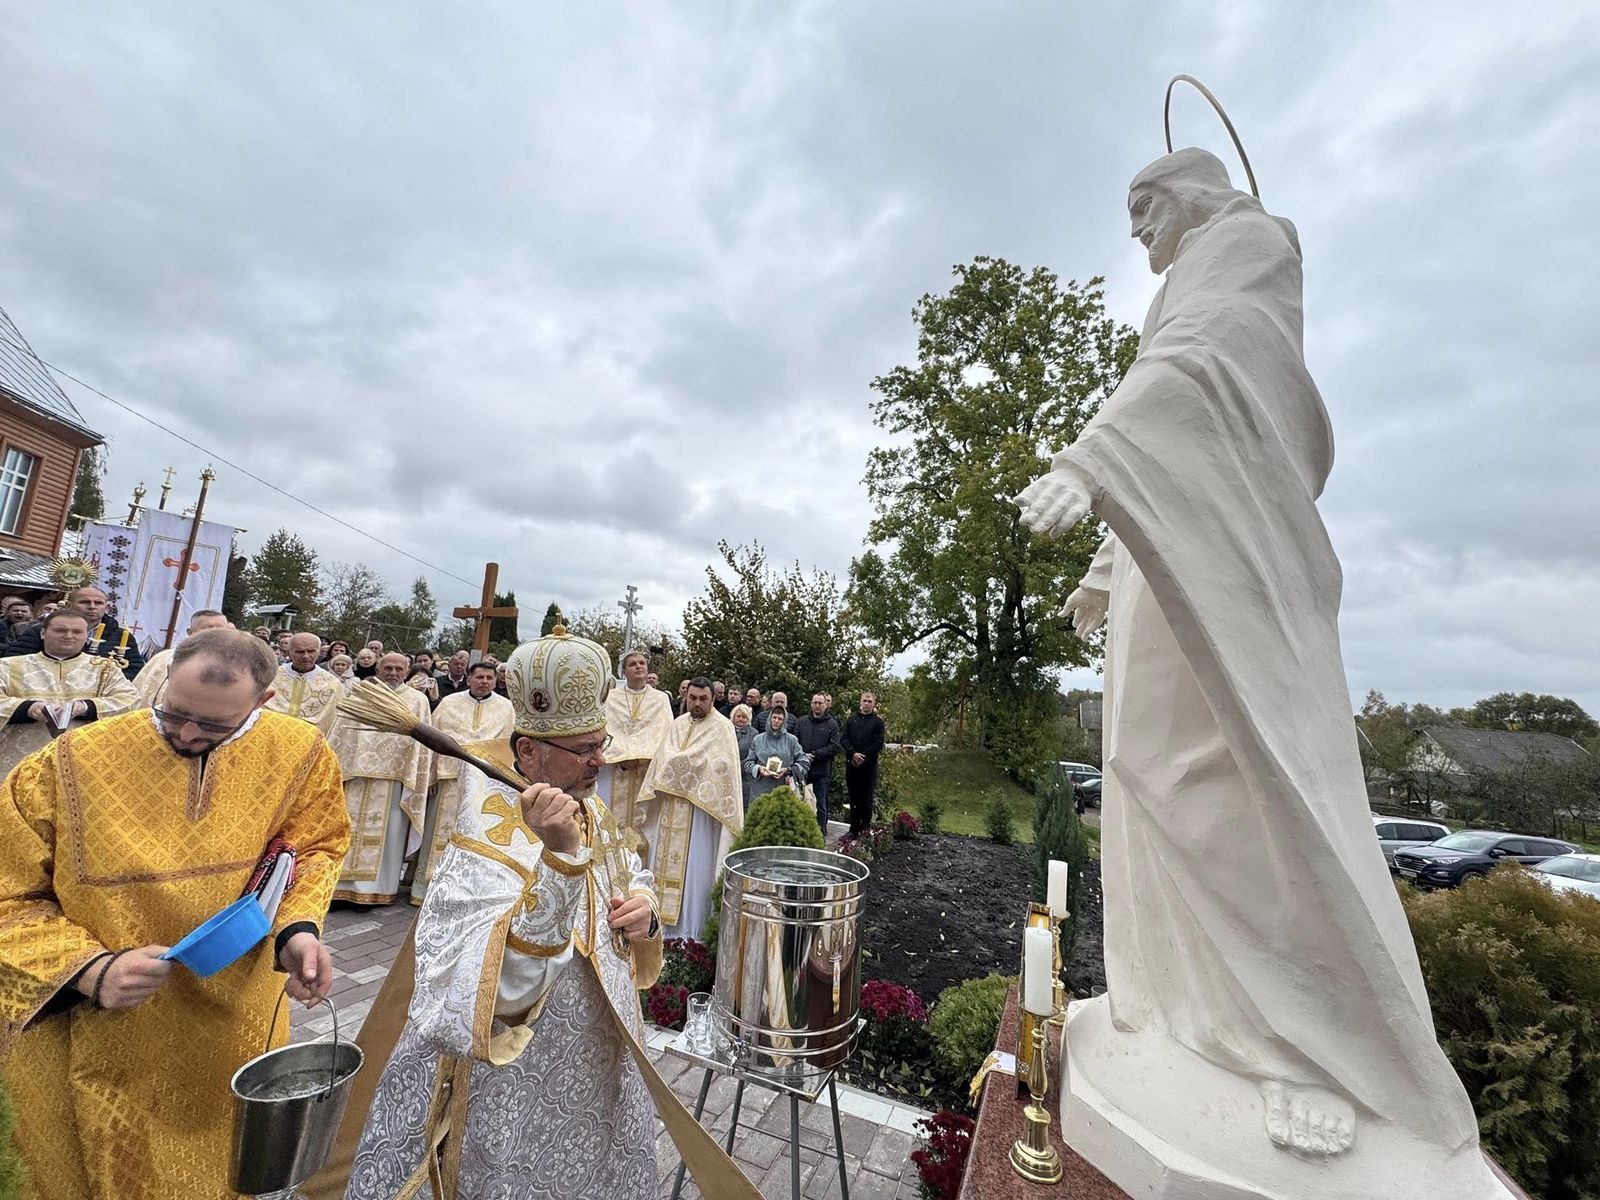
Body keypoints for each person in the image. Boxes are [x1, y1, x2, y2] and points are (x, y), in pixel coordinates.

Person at [1015, 147, 1500, 1188]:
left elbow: (1209, 370)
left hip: (1227, 565)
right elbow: (1165, 403)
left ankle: (1308, 1049)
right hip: (1165, 560)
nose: (1137, 232)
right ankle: (1192, 1013)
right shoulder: (1180, 283)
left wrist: (1089, 465)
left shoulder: (1248, 243)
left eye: (1146, 206)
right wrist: (1106, 565)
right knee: (1147, 773)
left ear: (1194, 191)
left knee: (1226, 786)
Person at [0, 628, 350, 1197]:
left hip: (231, 1017)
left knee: (220, 1170)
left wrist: (299, 929)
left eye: (213, 724)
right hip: (99, 1018)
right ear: (163, 678)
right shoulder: (68, 761)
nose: (186, 734)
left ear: (262, 701)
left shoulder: (301, 752)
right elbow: (8, 894)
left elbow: (313, 848)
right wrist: (90, 970)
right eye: (174, 712)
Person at [336, 629, 666, 1199]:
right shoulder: (482, 839)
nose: (601, 760)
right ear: (529, 751)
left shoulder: (588, 806)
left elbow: (629, 871)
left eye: (601, 742)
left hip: (598, 1061)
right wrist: (560, 861)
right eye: (584, 750)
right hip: (510, 1081)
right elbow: (503, 991)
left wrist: (647, 912)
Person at [635, 677, 743, 940]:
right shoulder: (678, 723)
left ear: (713, 699)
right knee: (662, 868)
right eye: (692, 698)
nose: (696, 703)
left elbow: (721, 768)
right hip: (670, 808)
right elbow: (662, 759)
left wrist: (679, 768)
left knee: (696, 873)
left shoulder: (723, 727)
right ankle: (660, 932)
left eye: (703, 699)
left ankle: (691, 936)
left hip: (701, 813)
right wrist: (681, 767)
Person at [329, 652, 434, 905]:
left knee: (389, 836)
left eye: (399, 668)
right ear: (378, 669)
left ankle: (377, 892)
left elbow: (423, 744)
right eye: (388, 668)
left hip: (395, 778)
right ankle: (338, 888)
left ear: (407, 670)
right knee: (347, 830)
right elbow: (341, 731)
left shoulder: (417, 700)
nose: (393, 673)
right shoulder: (362, 694)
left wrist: (419, 776)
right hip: (355, 775)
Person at [411, 662, 515, 905]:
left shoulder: (507, 707)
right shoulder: (449, 703)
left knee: (476, 831)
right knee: (439, 831)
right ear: (469, 679)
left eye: (489, 678)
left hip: (485, 781)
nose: (485, 682)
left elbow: (509, 746)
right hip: (449, 777)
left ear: (495, 681)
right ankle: (427, 887)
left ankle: (467, 887)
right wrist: (431, 776)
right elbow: (431, 739)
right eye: (479, 677)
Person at [0, 609, 139, 776]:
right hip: (20, 759)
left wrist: (85, 707)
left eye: (77, 632)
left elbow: (130, 700)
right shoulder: (8, 666)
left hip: (84, 758)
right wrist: (27, 708)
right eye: (60, 630)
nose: (68, 636)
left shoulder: (105, 668)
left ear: (86, 636)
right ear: (43, 633)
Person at [598, 649, 675, 851]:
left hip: (647, 771)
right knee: (609, 823)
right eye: (632, 664)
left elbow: (665, 733)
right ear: (624, 672)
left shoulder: (660, 699)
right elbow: (605, 728)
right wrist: (622, 757)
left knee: (643, 825)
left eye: (642, 663)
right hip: (614, 768)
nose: (639, 666)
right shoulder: (610, 698)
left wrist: (639, 758)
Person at [1, 586, 145, 680]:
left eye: (98, 603)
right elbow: (14, 661)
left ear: (106, 608)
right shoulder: (41, 630)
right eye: (85, 602)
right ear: (69, 605)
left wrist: (107, 682)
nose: (92, 607)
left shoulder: (121, 637)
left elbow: (135, 670)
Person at [130, 608, 231, 707]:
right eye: (208, 629)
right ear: (191, 633)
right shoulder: (164, 659)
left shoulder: (234, 662)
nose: (215, 634)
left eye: (220, 629)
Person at [265, 630, 345, 736]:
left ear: (319, 652)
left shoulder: (333, 683)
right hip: (272, 736)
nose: (306, 656)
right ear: (289, 652)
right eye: (300, 652)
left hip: (311, 739)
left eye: (311, 651)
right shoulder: (271, 676)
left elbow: (334, 720)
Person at [793, 693, 843, 830]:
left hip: (821, 769)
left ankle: (821, 831)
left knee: (821, 802)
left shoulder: (832, 724)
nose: (817, 705)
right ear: (811, 704)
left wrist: (815, 754)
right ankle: (801, 829)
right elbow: (794, 742)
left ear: (826, 705)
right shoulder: (801, 722)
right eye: (815, 702)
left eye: (820, 703)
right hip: (803, 769)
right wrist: (803, 755)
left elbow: (835, 746)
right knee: (800, 799)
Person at [746, 706, 810, 806]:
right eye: (774, 717)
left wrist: (788, 770)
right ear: (769, 718)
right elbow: (748, 763)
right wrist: (759, 769)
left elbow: (804, 763)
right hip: (759, 791)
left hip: (784, 791)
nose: (776, 721)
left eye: (780, 719)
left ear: (784, 721)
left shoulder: (792, 740)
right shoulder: (757, 739)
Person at [841, 692, 886, 835]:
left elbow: (879, 743)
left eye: (869, 701)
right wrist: (853, 753)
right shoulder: (851, 720)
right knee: (853, 798)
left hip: (868, 767)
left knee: (866, 798)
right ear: (860, 702)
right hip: (852, 765)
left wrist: (864, 756)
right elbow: (844, 739)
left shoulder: (877, 722)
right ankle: (853, 829)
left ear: (874, 704)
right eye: (864, 701)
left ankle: (864, 830)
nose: (866, 703)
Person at [730, 703, 757, 810]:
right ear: (733, 717)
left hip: (745, 776)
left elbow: (753, 754)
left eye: (744, 717)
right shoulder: (727, 730)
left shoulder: (754, 733)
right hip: (728, 773)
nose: (741, 719)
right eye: (738, 716)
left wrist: (739, 766)